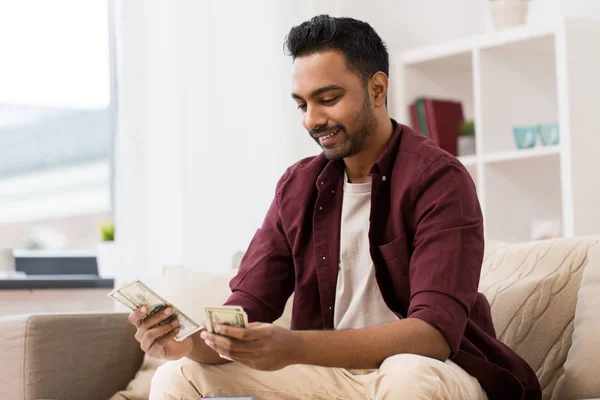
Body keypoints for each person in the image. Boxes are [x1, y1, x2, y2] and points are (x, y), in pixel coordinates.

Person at [129, 15, 541, 400]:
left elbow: (433, 334)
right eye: (302, 104)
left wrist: (295, 346)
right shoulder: (297, 186)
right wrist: (186, 342)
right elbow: (245, 307)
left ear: (377, 90)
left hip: (435, 369)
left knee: (407, 374)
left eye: (327, 98)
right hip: (327, 372)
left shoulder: (438, 179)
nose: (312, 119)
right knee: (177, 373)